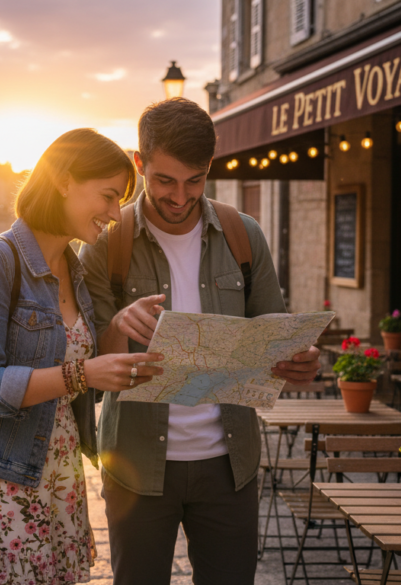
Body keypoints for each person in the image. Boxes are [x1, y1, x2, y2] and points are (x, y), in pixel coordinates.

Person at [78, 98, 322, 585]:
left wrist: (297, 359)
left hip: (229, 464)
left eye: (195, 180)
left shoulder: (243, 234)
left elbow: (270, 330)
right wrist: (119, 325)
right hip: (135, 465)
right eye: (165, 180)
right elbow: (86, 359)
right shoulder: (108, 241)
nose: (179, 196)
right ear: (139, 163)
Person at [0, 128, 165, 585]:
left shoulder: (74, 271)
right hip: (0, 482)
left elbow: (82, 384)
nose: (116, 215)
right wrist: (80, 373)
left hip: (57, 477)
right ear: (63, 180)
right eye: (109, 196)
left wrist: (115, 329)